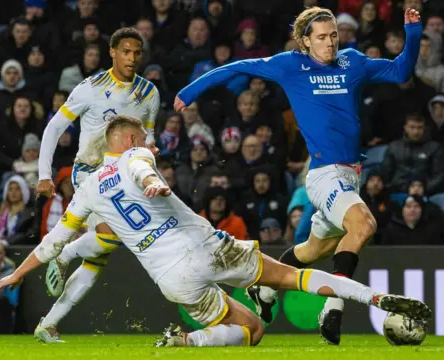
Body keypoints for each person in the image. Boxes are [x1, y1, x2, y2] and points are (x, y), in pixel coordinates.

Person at [0, 116, 432, 346]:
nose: (152, 141)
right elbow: (144, 169)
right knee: (289, 276)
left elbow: (52, 244)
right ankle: (372, 298)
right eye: (145, 135)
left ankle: (189, 340)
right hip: (205, 247)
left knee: (253, 331)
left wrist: (16, 274)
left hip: (171, 280)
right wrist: (152, 181)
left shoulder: (85, 191)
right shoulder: (134, 158)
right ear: (124, 141)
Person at [174, 6, 422, 345]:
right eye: (321, 37)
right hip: (323, 175)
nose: (330, 43)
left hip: (351, 175)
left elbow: (400, 71)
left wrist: (413, 32)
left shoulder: (352, 62)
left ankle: (265, 290)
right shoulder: (290, 65)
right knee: (363, 225)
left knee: (312, 249)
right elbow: (239, 66)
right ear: (305, 41)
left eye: (333, 35)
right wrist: (189, 93)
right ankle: (333, 308)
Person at [34, 27, 160, 338]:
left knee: (98, 255)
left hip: (124, 179)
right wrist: (44, 174)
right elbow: (53, 128)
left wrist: (151, 154)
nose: (132, 58)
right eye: (126, 52)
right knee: (112, 235)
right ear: (113, 53)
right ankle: (63, 255)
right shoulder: (90, 88)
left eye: (137, 53)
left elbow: (149, 138)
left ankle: (48, 325)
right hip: (90, 172)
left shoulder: (150, 94)